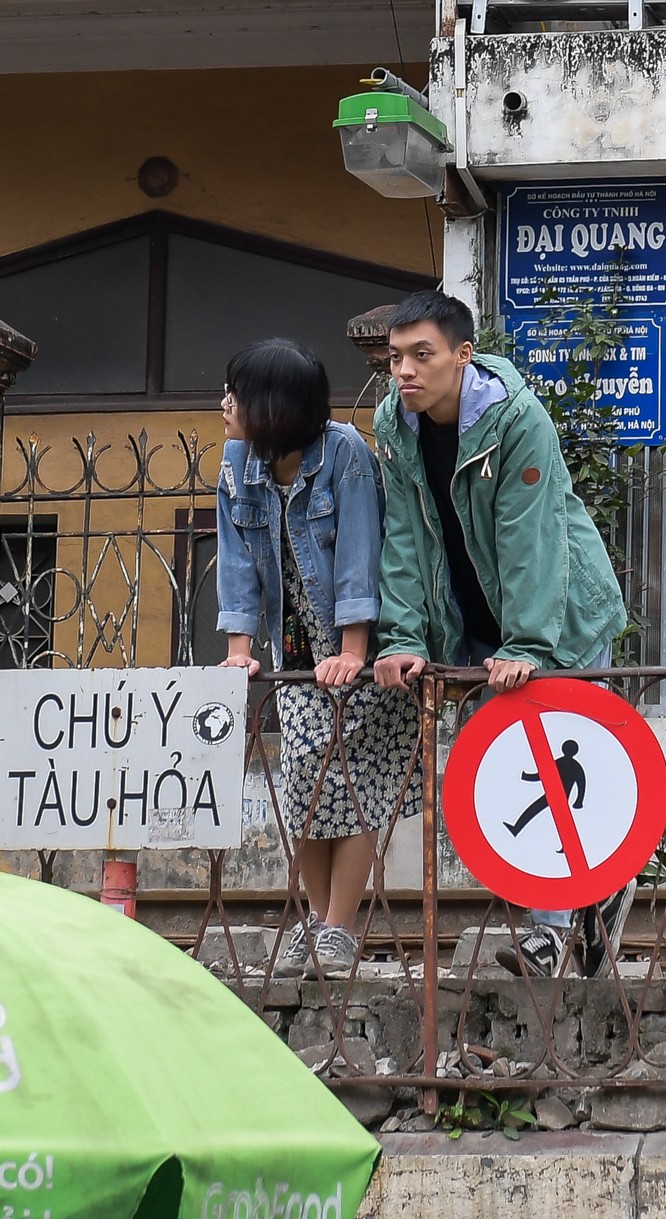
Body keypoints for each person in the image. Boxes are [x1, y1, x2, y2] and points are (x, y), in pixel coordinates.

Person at [370, 289, 636, 979]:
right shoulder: (395, 425)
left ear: (462, 356)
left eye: (422, 355)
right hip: (478, 631)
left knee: (560, 768)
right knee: (510, 777)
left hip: (559, 619)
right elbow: (403, 534)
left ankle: (550, 933)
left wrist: (529, 646)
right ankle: (594, 896)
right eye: (396, 356)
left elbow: (533, 535)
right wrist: (402, 634)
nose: (405, 370)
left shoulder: (516, 420)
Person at [215, 338, 421, 980]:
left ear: (273, 406)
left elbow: (362, 550)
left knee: (356, 787)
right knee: (304, 780)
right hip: (298, 652)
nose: (225, 405)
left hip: (361, 648)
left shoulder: (345, 454)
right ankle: (318, 920)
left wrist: (355, 651)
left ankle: (338, 927)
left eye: (238, 393)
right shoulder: (237, 465)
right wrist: (240, 650)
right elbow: (236, 561)